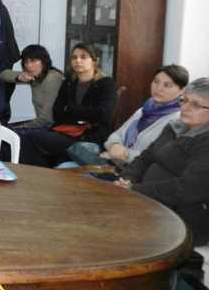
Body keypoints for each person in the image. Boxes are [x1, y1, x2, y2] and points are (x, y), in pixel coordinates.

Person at [116, 78, 209, 245]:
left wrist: (135, 189)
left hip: (184, 218)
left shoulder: (205, 141)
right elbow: (146, 157)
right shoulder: (174, 127)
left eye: (196, 104)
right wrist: (127, 178)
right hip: (147, 202)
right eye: (184, 100)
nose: (185, 108)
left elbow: (188, 189)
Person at [19, 43, 117, 167]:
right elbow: (57, 113)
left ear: (94, 61)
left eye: (83, 57)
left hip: (90, 138)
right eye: (74, 57)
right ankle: (41, 174)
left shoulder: (106, 83)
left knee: (32, 138)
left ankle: (39, 173)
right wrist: (83, 115)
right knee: (26, 139)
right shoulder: (69, 83)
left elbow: (104, 115)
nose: (78, 61)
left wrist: (71, 110)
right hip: (66, 132)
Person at [69, 64, 188, 167]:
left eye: (167, 85)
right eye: (156, 82)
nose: (159, 88)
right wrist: (115, 145)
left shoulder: (178, 119)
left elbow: (159, 158)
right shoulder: (143, 110)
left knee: (68, 168)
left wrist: (124, 154)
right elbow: (116, 134)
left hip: (137, 174)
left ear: (182, 90)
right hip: (115, 164)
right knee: (66, 166)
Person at [0, 44, 65, 130]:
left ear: (44, 61)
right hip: (45, 124)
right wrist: (19, 77)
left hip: (56, 126)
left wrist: (22, 127)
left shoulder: (52, 78)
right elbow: (2, 74)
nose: (29, 65)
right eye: (26, 62)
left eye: (33, 61)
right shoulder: (35, 76)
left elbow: (47, 118)